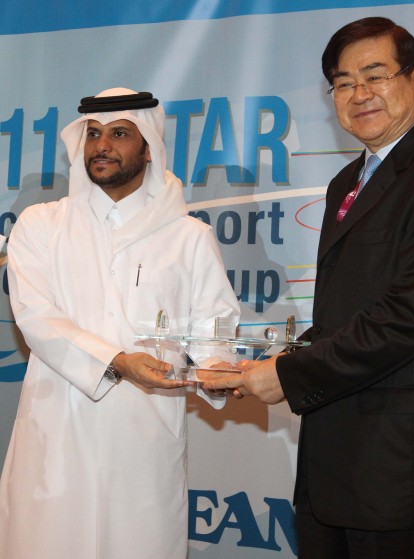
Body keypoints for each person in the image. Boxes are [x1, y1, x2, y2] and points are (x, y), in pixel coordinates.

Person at [204, 17, 414, 559]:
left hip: (405, 477)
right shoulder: (348, 182)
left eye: (375, 75)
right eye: (342, 83)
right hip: (334, 469)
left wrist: (287, 375)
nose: (358, 94)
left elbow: (409, 318)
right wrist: (263, 366)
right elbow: (346, 317)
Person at [0, 87, 240, 559]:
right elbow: (37, 318)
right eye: (92, 134)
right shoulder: (40, 226)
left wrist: (220, 370)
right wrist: (119, 362)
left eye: (119, 133)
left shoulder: (189, 238)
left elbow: (215, 329)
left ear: (148, 147)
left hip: (143, 442)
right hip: (55, 440)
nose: (101, 145)